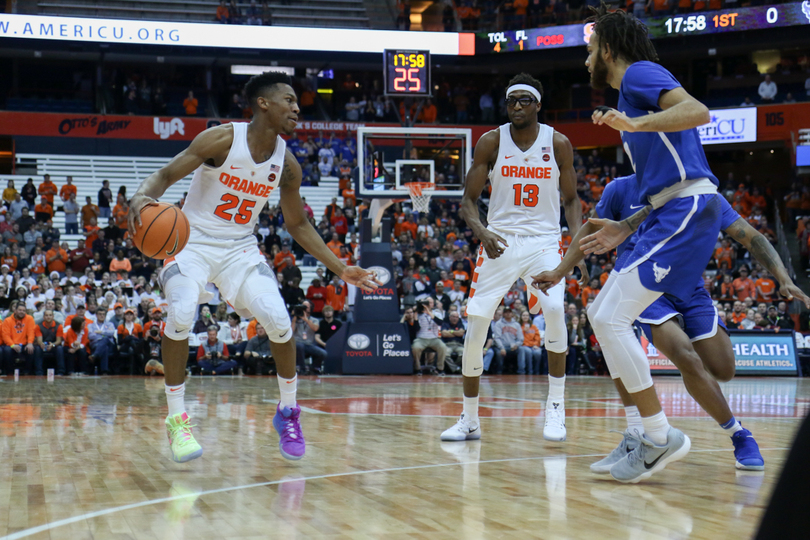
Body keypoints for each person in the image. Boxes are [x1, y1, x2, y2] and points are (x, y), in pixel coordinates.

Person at [127, 71, 379, 463]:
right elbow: (164, 175)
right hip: (190, 243)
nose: (297, 108)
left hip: (240, 250)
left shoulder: (288, 164)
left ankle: (288, 413)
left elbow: (297, 223)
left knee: (279, 320)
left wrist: (340, 267)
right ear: (263, 103)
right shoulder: (222, 139)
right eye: (289, 100)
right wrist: (142, 196)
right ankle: (177, 419)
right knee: (180, 311)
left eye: (297, 103)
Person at [538, 173, 807, 474]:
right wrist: (562, 269)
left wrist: (783, 277)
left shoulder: (701, 194)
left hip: (689, 287)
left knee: (723, 369)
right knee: (684, 356)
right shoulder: (620, 189)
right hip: (642, 287)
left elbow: (750, 236)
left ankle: (644, 433)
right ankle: (737, 435)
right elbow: (591, 227)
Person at [561, 3, 729, 482]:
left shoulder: (639, 74)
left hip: (689, 209)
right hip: (666, 210)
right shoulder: (630, 93)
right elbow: (663, 184)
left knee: (612, 316)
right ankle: (641, 430)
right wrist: (625, 227)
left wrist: (635, 124)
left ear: (607, 49)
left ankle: (658, 435)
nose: (585, 59)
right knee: (601, 315)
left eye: (590, 49)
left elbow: (697, 110)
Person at [441, 73, 582, 444]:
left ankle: (555, 407)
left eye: (524, 100)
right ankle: (469, 419)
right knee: (475, 329)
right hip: (499, 241)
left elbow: (571, 201)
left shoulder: (559, 142)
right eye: (511, 101)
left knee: (554, 311)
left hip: (544, 242)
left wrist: (576, 245)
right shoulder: (491, 141)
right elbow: (468, 202)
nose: (516, 106)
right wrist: (483, 232)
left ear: (538, 104)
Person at [2, 301, 37, 375]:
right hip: (12, 345)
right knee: (7, 350)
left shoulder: (29, 318)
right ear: (15, 311)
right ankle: (9, 372)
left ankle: (27, 372)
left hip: (25, 344)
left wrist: (30, 343)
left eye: (24, 310)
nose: (22, 312)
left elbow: (31, 332)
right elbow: (5, 335)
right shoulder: (7, 320)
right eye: (20, 310)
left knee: (32, 349)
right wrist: (12, 345)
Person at [34, 308, 64, 375]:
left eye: (50, 315)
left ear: (53, 317)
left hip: (54, 345)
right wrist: (42, 344)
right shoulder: (38, 326)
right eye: (47, 315)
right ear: (44, 317)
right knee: (38, 349)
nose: (48, 317)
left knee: (60, 349)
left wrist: (52, 345)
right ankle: (39, 372)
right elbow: (39, 340)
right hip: (43, 344)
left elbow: (59, 340)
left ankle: (60, 371)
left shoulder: (59, 326)